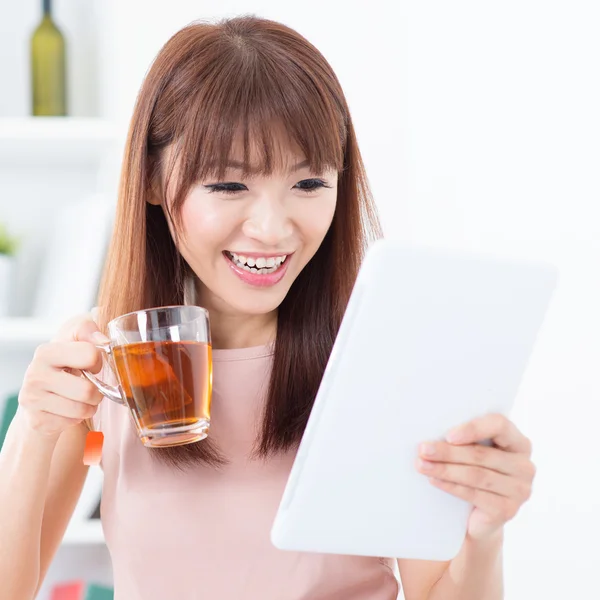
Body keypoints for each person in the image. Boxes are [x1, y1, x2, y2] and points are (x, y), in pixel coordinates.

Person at [0, 15, 536, 600]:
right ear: (153, 179)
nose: (273, 228)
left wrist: (484, 533)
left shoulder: (383, 359)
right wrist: (34, 428)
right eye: (229, 187)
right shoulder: (110, 360)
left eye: (308, 184)